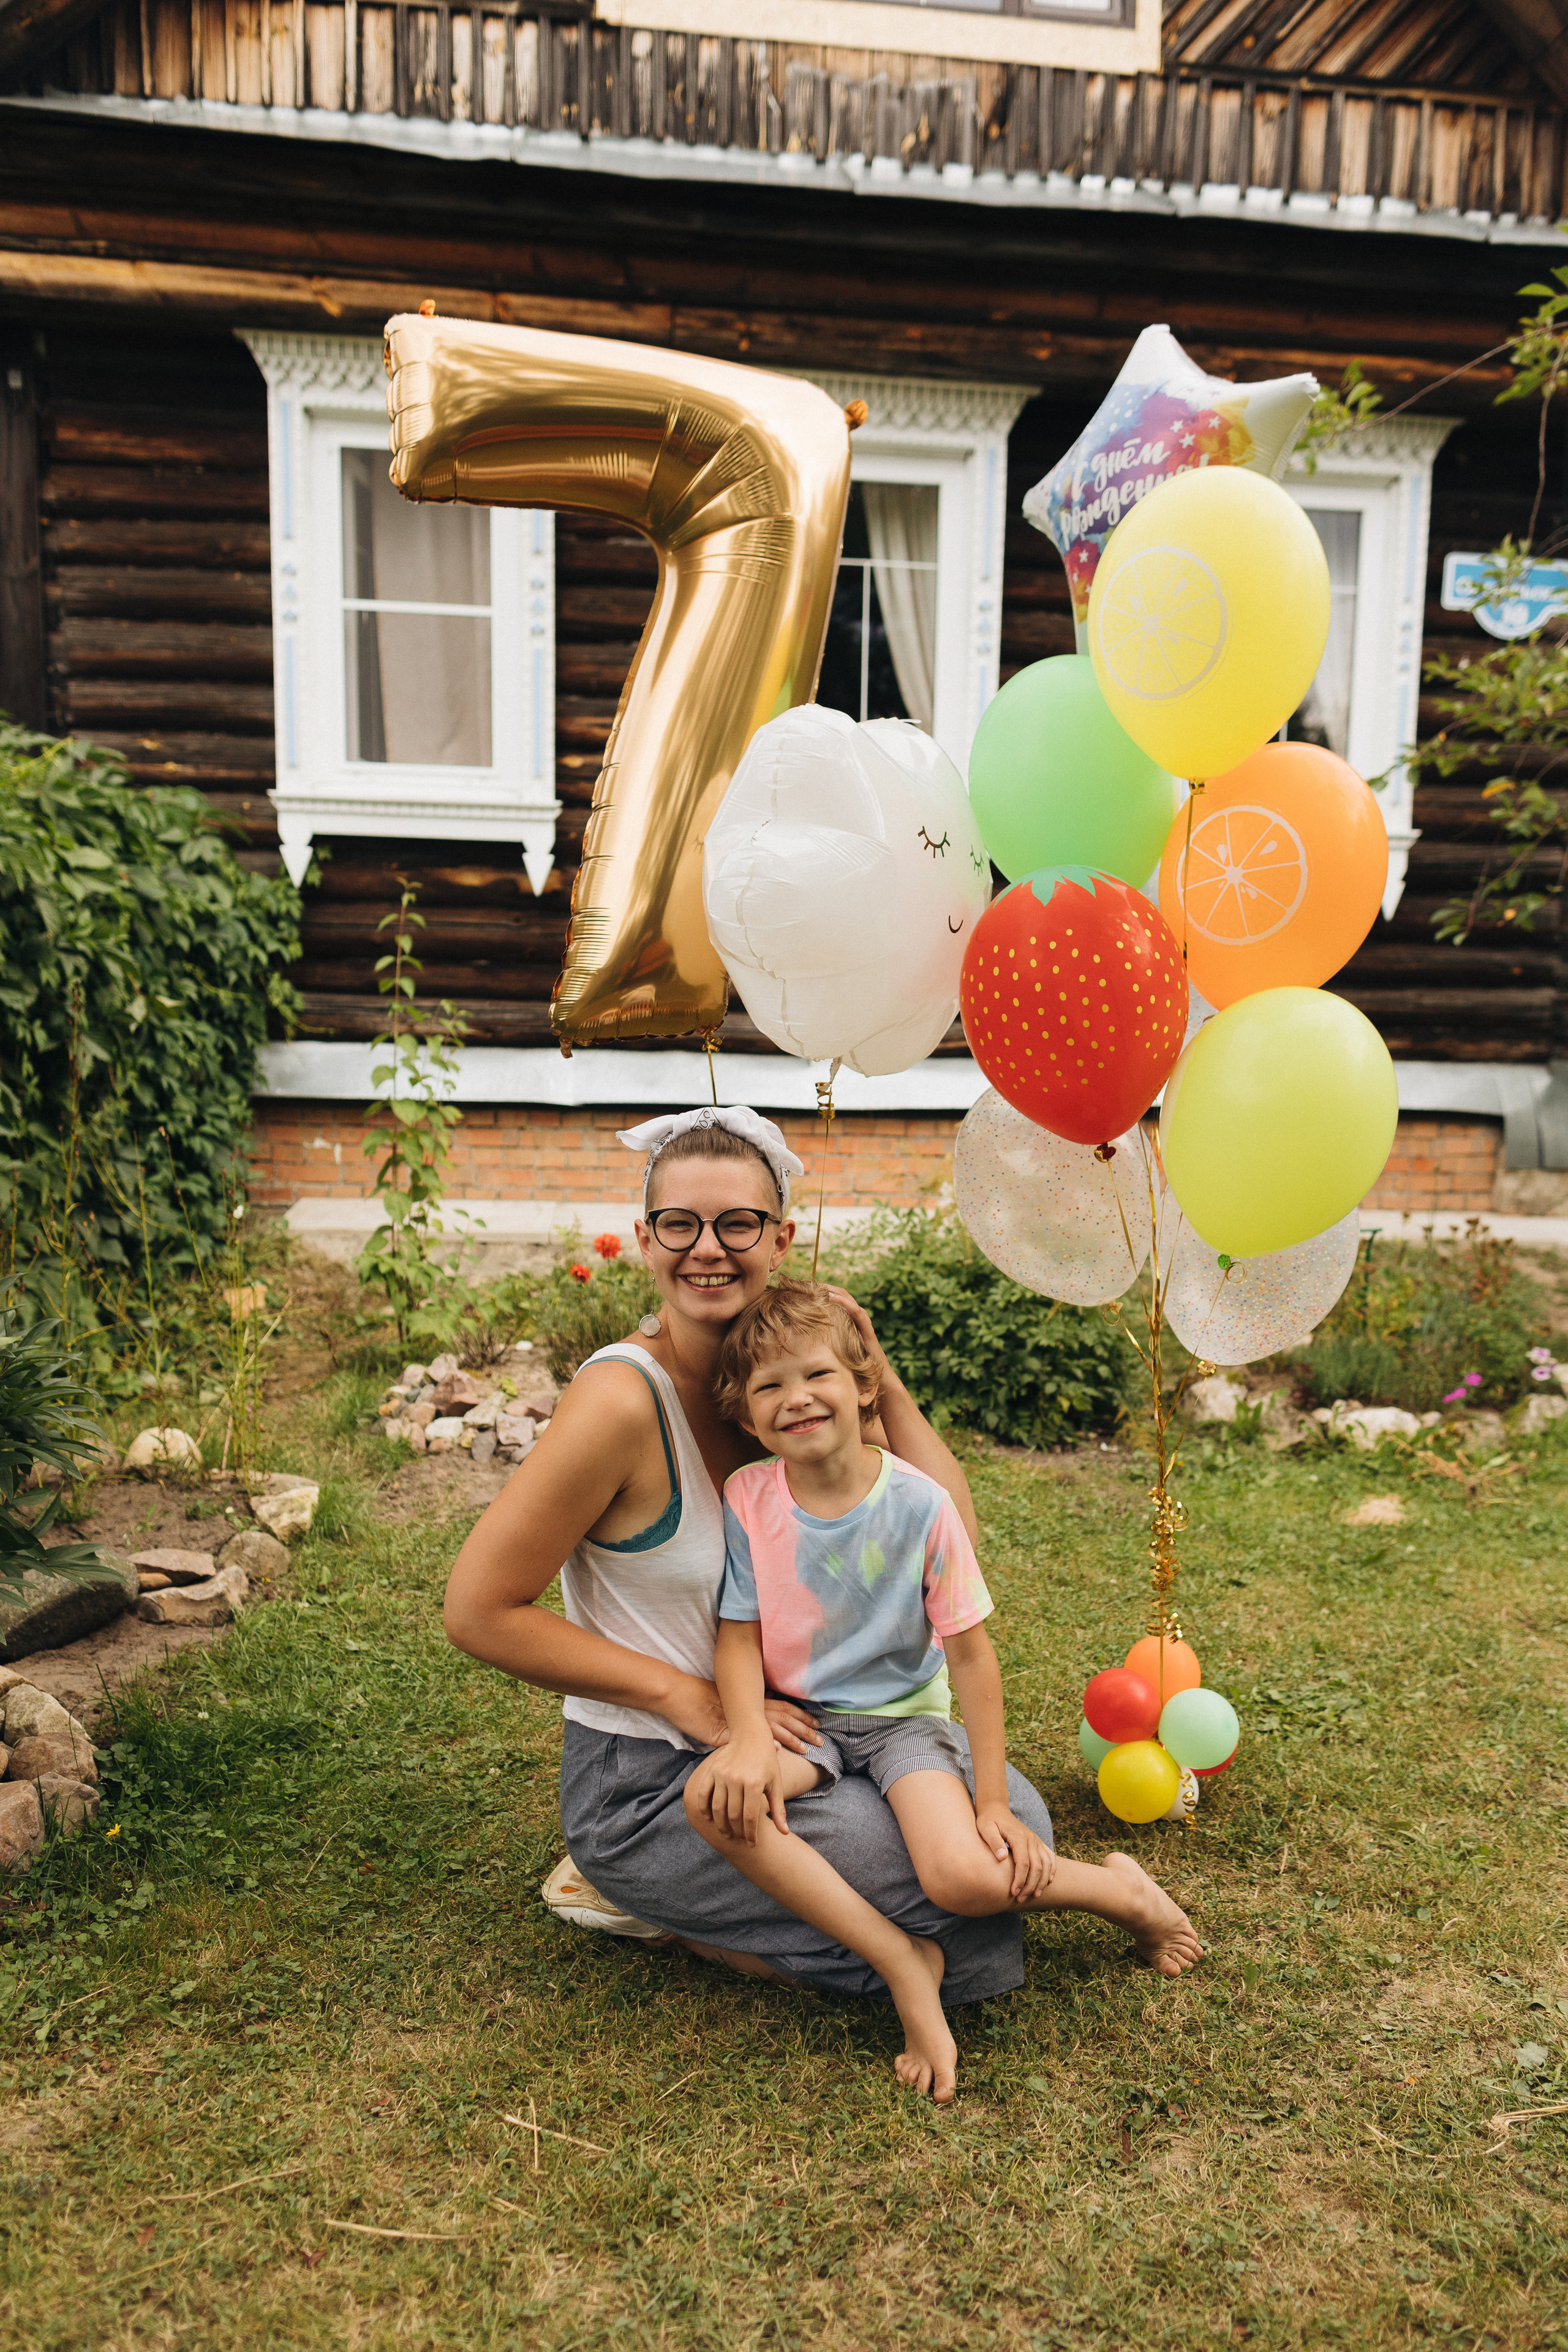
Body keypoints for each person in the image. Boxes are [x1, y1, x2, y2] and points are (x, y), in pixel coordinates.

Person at [442, 1104, 1188, 2016]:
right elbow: (479, 1611)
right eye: (679, 1223)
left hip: (816, 1734)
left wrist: (876, 1371)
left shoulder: (786, 1381)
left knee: (1011, 1832)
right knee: (952, 1893)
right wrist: (698, 1702)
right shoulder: (620, 1403)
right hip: (653, 1776)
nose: (707, 1248)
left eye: (738, 1223)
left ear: (781, 1238)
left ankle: (813, 1917)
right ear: (645, 1238)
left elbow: (944, 1529)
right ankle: (649, 1895)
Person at [683, 1279, 1202, 2103]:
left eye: (814, 1375)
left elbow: (971, 1661)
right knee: (718, 1799)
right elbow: (737, 1633)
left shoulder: (921, 1507)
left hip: (902, 1728)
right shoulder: (749, 1499)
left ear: (862, 1386)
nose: (795, 1398)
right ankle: (903, 1963)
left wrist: (990, 1800)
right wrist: (747, 1736)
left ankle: (1119, 1892)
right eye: (769, 1387)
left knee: (962, 1877)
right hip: (804, 1725)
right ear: (746, 1418)